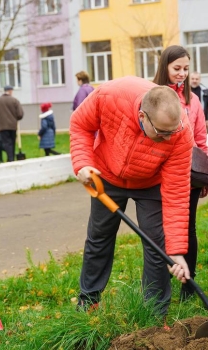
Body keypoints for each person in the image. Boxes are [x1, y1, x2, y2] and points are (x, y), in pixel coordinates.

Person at [70, 76, 193, 319]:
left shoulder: (181, 133)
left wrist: (176, 250)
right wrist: (83, 164)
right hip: (106, 173)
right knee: (99, 237)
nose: (168, 138)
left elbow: (176, 193)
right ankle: (89, 301)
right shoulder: (110, 95)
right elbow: (80, 125)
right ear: (143, 116)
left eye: (173, 131)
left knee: (157, 244)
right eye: (161, 132)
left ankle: (155, 312)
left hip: (151, 183)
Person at [153, 46, 208, 301]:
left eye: (186, 68)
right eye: (177, 68)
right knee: (161, 230)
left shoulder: (193, 101)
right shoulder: (152, 97)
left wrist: (207, 173)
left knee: (188, 229)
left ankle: (188, 287)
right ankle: (158, 286)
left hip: (188, 174)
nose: (182, 74)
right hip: (158, 174)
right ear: (164, 67)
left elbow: (200, 138)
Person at [0, 86, 24, 162]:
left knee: (6, 143)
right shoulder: (15, 100)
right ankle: (11, 158)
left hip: (2, 127)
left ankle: (10, 159)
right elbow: (20, 114)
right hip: (13, 126)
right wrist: (15, 119)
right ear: (10, 91)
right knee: (12, 142)